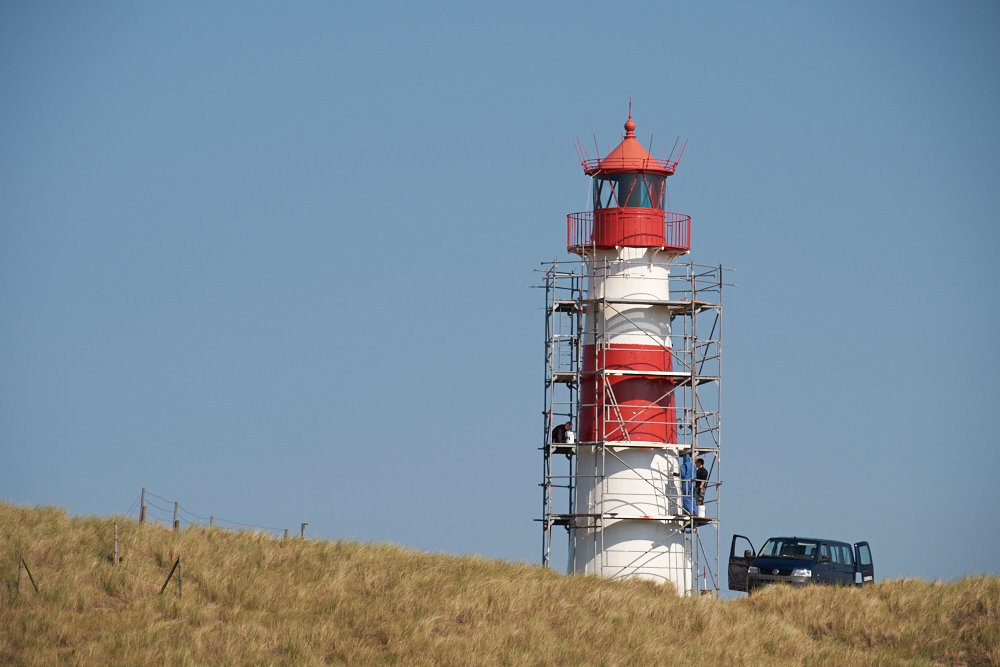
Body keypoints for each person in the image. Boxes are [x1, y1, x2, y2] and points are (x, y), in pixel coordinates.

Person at [679, 449, 694, 514]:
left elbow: (682, 474)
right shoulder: (692, 465)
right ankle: (694, 511)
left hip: (686, 482)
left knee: (685, 497)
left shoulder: (683, 465)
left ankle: (688, 511)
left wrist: (677, 475)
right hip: (693, 482)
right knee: (693, 497)